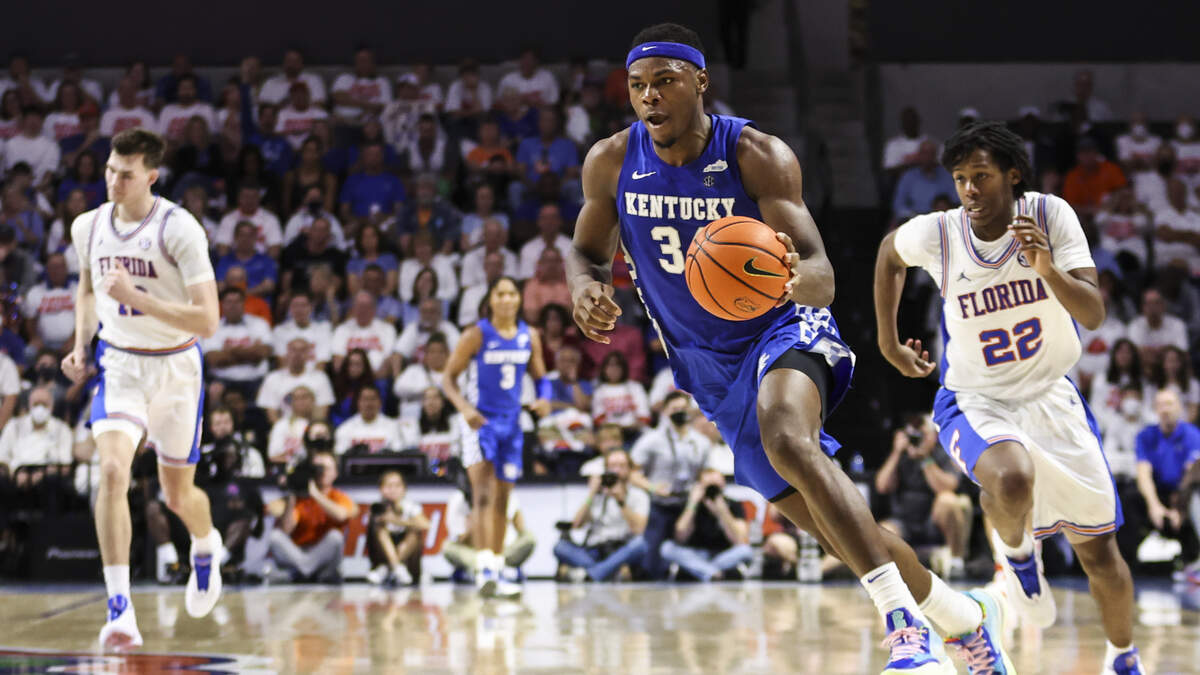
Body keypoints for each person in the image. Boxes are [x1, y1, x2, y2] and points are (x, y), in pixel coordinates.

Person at [568, 24, 1002, 673]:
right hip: (707, 369)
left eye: (664, 81)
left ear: (700, 82)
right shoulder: (611, 161)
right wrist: (584, 288)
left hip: (783, 328)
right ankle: (965, 620)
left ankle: (903, 629)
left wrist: (798, 279)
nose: (649, 96)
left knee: (787, 436)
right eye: (637, 86)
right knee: (841, 533)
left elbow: (821, 271)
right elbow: (585, 251)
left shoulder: (756, 154)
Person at [875, 120, 1144, 673]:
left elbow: (1093, 313)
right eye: (960, 179)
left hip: (1051, 396)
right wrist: (888, 342)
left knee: (1101, 554)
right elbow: (888, 255)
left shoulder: (1049, 215)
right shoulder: (942, 233)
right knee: (1011, 477)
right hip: (977, 399)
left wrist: (1046, 268)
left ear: (1013, 175)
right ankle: (1019, 558)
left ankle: (1123, 657)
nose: (969, 190)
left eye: (981, 176)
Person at [59, 128, 224, 649]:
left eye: (126, 175)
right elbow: (88, 291)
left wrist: (140, 299)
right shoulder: (87, 225)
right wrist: (81, 345)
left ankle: (205, 544)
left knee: (177, 496)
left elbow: (209, 320)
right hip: (121, 364)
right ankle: (119, 608)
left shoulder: (180, 229)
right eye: (110, 170)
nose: (113, 181)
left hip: (176, 368)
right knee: (111, 471)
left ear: (151, 176)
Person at [442, 276, 548, 598]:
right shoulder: (476, 334)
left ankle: (498, 566)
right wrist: (464, 408)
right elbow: (448, 379)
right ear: (490, 299)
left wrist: (544, 399)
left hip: (512, 424)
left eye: (511, 293)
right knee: (483, 494)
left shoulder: (529, 336)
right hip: (480, 422)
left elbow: (542, 378)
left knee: (503, 498)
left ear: (519, 299)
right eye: (500, 293)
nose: (506, 299)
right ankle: (484, 566)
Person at [628, 390, 711, 579]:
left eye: (683, 408)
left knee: (688, 559)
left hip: (688, 504)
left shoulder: (701, 442)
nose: (679, 412)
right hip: (660, 504)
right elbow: (633, 473)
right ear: (665, 411)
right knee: (653, 560)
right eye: (674, 409)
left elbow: (705, 474)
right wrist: (652, 487)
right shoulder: (651, 440)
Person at [875, 417, 970, 581]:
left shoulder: (943, 454)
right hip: (903, 521)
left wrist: (925, 458)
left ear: (934, 435)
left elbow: (947, 487)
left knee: (948, 500)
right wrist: (896, 452)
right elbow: (882, 486)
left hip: (933, 522)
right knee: (878, 532)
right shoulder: (901, 456)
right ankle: (826, 570)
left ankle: (956, 562)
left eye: (923, 434)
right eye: (913, 435)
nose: (917, 439)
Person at [553, 448, 650, 581]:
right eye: (613, 466)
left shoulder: (638, 495)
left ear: (629, 469)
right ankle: (605, 572)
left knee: (640, 545)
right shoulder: (598, 494)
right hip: (593, 550)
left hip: (619, 550)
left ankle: (588, 574)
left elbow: (639, 530)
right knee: (560, 547)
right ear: (605, 469)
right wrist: (591, 494)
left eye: (621, 466)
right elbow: (577, 525)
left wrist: (621, 501)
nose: (617, 471)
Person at [1133, 389, 1200, 577]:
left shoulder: (1192, 435)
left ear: (1179, 407)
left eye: (1169, 404)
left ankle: (1192, 557)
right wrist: (1154, 506)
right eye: (1161, 405)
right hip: (1157, 493)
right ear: (1155, 409)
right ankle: (1127, 561)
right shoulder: (1146, 436)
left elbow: (1191, 475)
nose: (1165, 409)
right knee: (1128, 497)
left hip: (1183, 494)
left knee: (1197, 495)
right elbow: (1143, 474)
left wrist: (1179, 508)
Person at [266, 449, 356, 583]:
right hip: (300, 553)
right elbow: (286, 529)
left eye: (326, 468)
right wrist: (291, 495)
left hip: (325, 559)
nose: (321, 472)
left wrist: (316, 494)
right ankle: (307, 571)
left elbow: (341, 515)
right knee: (275, 536)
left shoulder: (339, 496)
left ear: (335, 473)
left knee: (335, 537)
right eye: (317, 468)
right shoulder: (300, 497)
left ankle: (298, 574)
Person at [661, 467, 752, 581]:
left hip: (723, 554)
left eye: (715, 486)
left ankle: (704, 571)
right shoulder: (689, 504)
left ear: (723, 485)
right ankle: (713, 572)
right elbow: (680, 537)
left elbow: (740, 540)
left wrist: (722, 512)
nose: (711, 490)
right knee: (667, 548)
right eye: (708, 486)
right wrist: (692, 504)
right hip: (696, 553)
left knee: (746, 551)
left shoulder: (733, 504)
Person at [365, 470, 429, 587]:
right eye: (389, 486)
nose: (393, 490)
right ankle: (396, 567)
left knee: (414, 531)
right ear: (381, 489)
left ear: (404, 489)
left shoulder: (410, 506)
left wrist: (396, 521)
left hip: (407, 558)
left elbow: (425, 525)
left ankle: (389, 568)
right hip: (382, 554)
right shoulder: (378, 507)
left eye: (397, 485)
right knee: (380, 529)